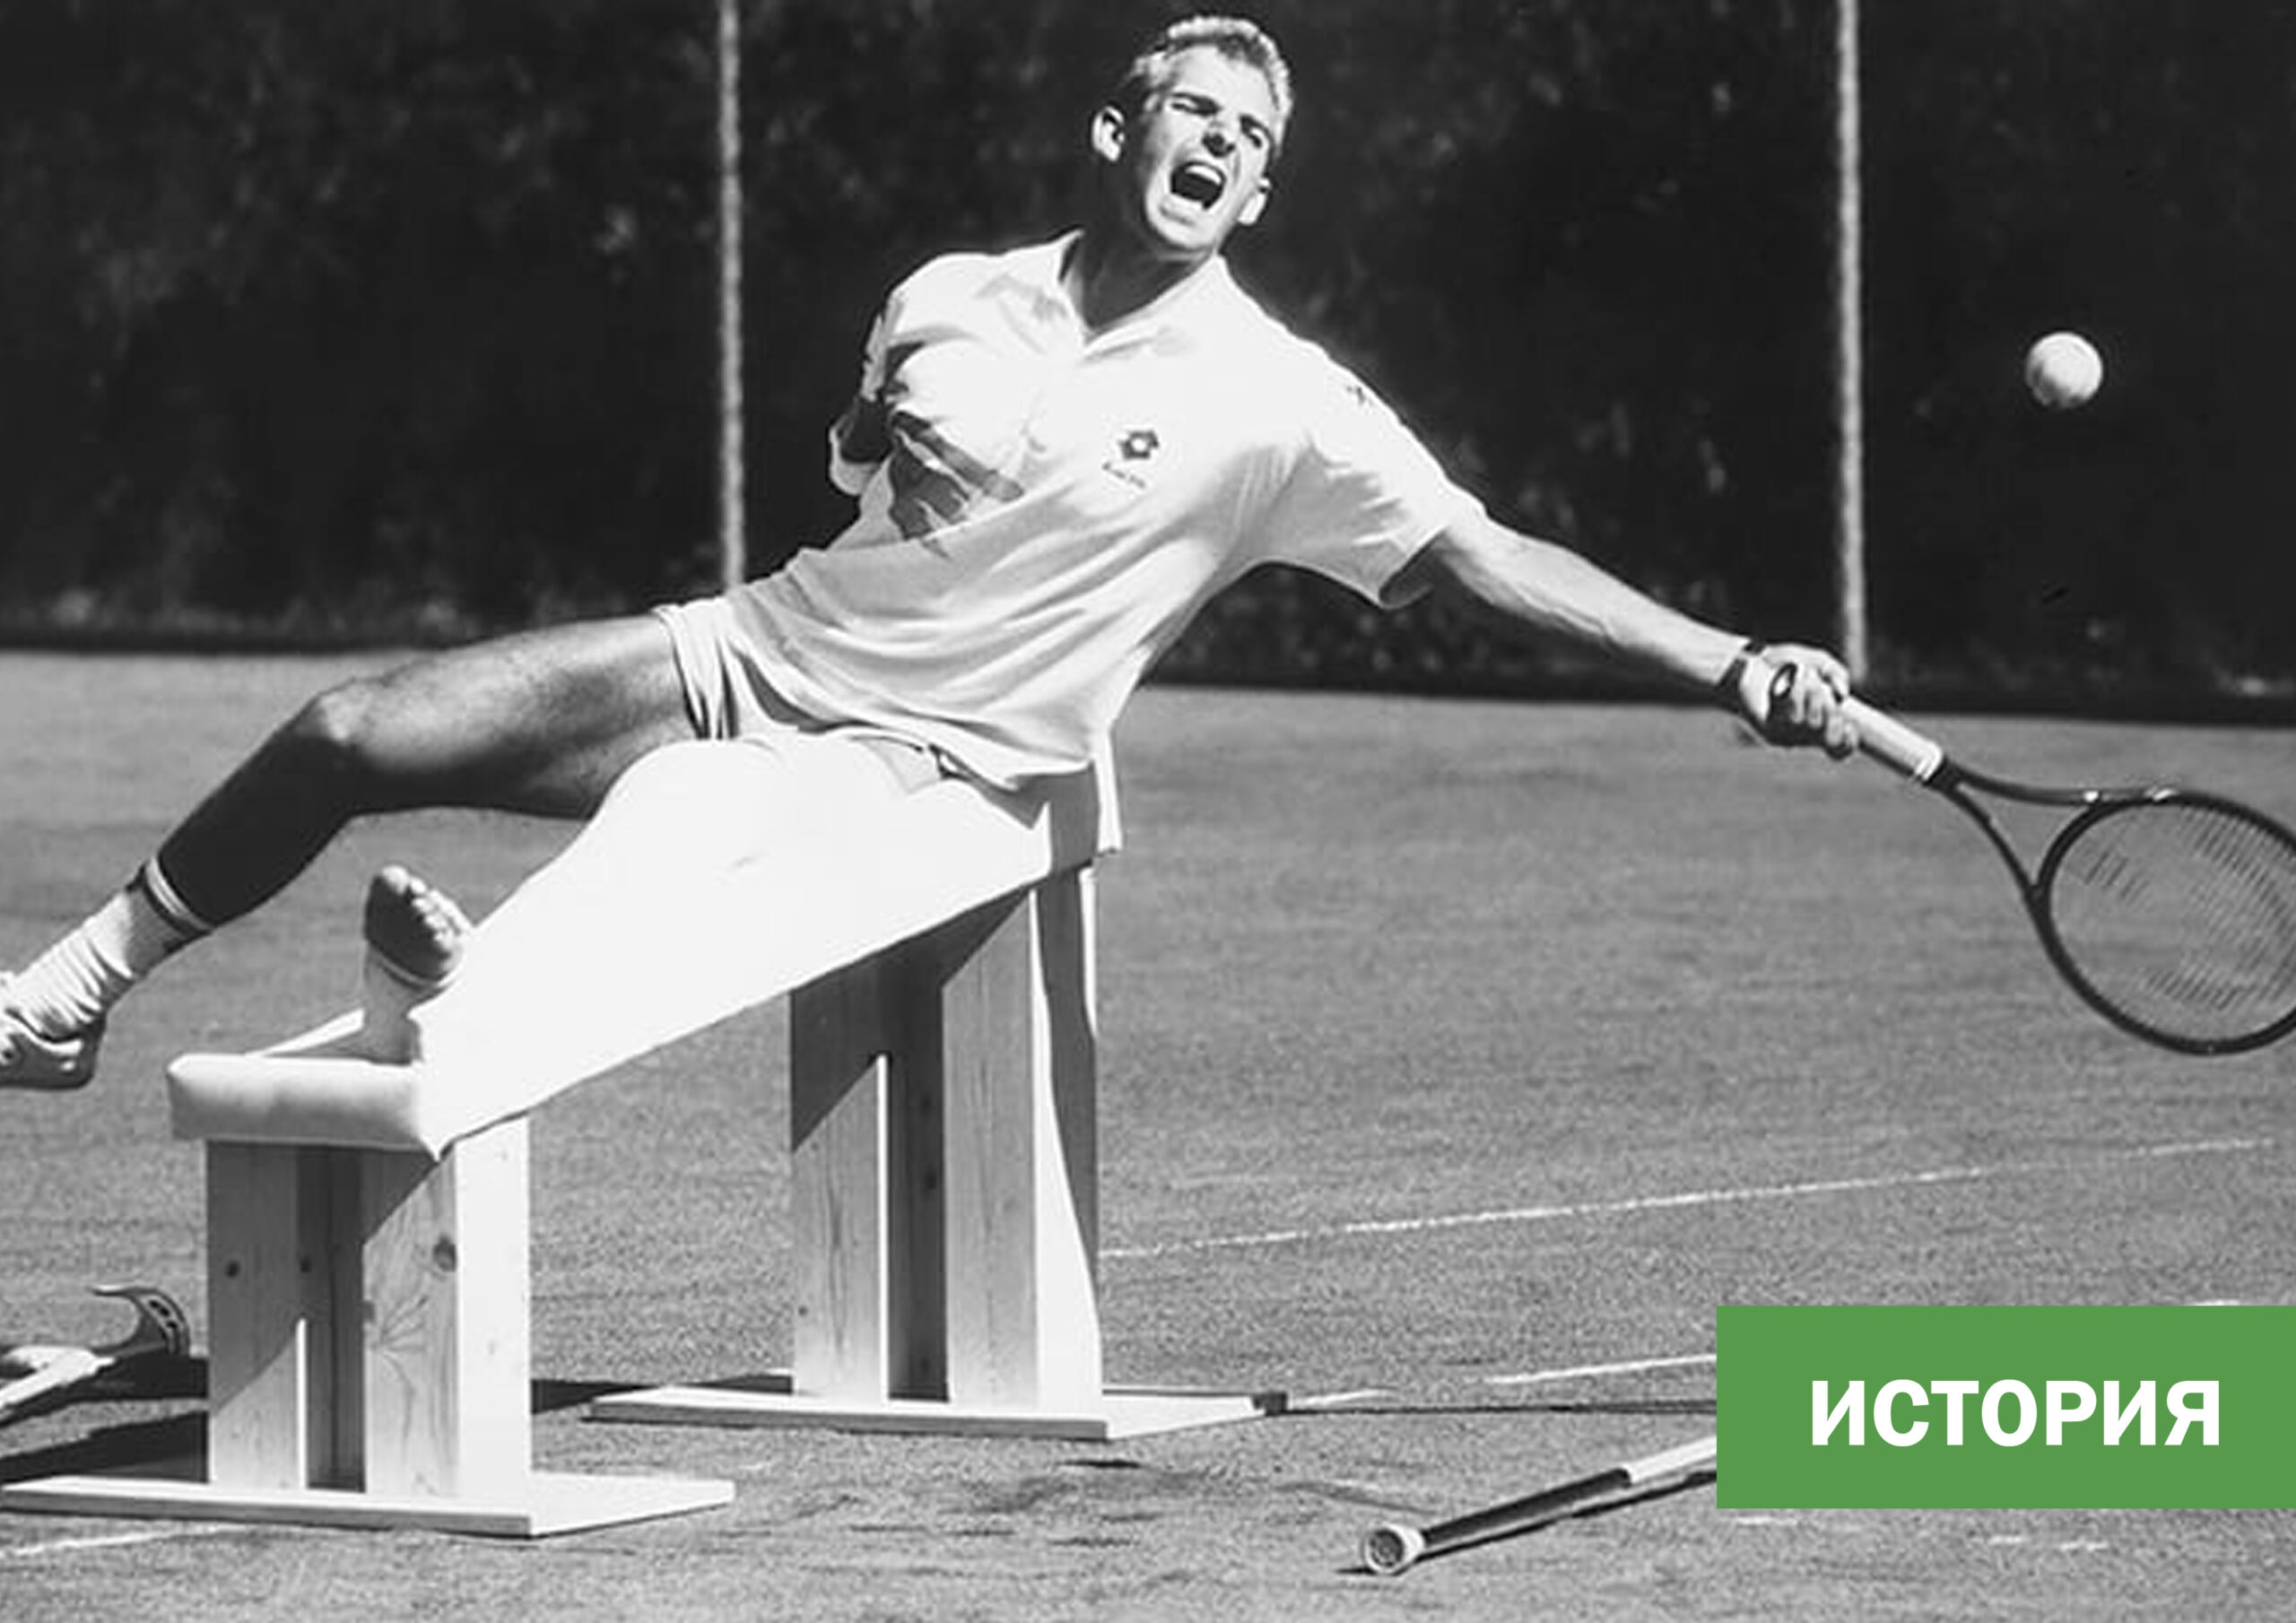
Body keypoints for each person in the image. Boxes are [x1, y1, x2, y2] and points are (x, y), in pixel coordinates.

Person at [1, 14, 1856, 1090]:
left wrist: (1729, 660)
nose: (1219, 144)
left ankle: (438, 1009)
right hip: (758, 645)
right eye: (1195, 111)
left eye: (1252, 137)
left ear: (1259, 194)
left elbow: (1481, 552)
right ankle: (69, 999)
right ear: (1117, 127)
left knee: (680, 825)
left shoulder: (1280, 400)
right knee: (349, 729)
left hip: (931, 757)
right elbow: (858, 474)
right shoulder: (946, 293)